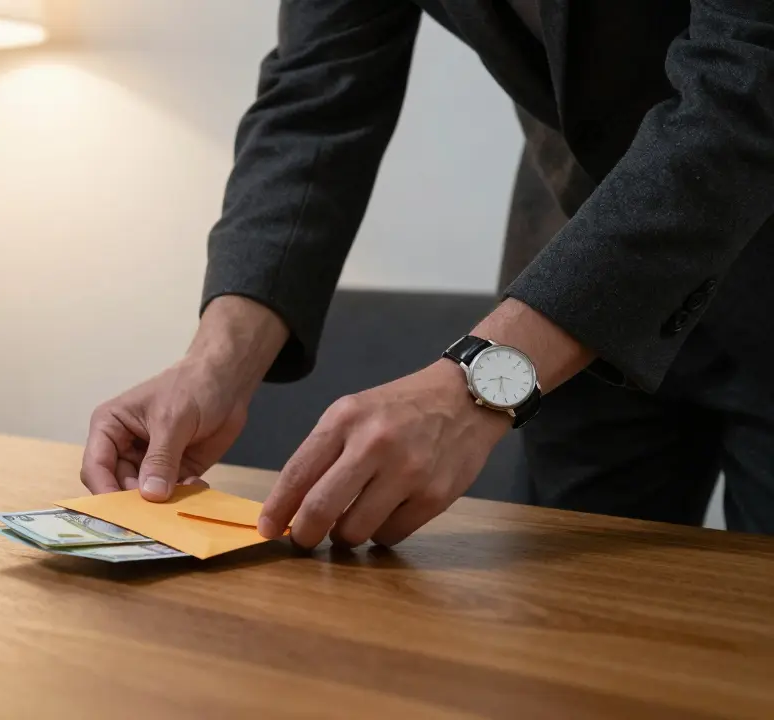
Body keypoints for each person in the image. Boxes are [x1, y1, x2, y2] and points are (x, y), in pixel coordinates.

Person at [79, 0, 774, 547]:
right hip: (581, 271)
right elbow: (318, 93)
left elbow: (749, 82)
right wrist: (217, 361)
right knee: (573, 645)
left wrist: (476, 385)